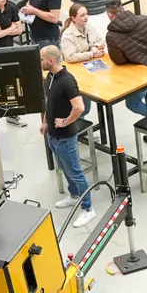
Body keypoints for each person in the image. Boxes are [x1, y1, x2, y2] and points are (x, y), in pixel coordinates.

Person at [38, 45, 94, 226]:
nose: (40, 62)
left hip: (65, 137)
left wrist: (65, 121)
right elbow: (49, 102)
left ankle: (88, 209)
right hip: (53, 135)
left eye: (41, 59)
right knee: (64, 168)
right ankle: (74, 195)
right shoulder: (50, 77)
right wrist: (46, 122)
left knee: (76, 173)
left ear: (51, 60)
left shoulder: (67, 81)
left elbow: (79, 107)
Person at [103, 1, 147, 117]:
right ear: (124, 9)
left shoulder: (112, 35)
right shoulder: (144, 20)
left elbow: (119, 61)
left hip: (140, 74)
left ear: (110, 15)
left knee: (133, 103)